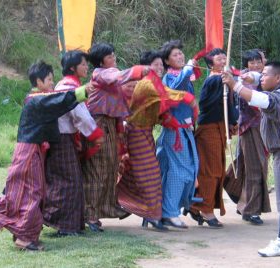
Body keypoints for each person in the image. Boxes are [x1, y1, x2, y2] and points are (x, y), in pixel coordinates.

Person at [0, 61, 84, 251]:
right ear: (39, 81)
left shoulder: (37, 98)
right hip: (29, 150)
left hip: (33, 149)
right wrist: (83, 93)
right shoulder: (37, 101)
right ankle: (23, 237)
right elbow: (59, 101)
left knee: (24, 193)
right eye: (49, 79)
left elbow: (57, 101)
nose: (52, 83)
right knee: (32, 193)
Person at [223, 61, 280, 257]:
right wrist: (253, 78)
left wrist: (235, 85)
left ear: (277, 78)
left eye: (264, 75)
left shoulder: (279, 98)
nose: (261, 77)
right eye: (261, 74)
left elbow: (262, 100)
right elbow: (267, 82)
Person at [117, 50, 198, 231]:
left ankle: (153, 214)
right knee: (150, 176)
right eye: (156, 65)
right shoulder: (146, 84)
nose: (160, 68)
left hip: (146, 134)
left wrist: (173, 121)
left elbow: (160, 108)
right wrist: (190, 100)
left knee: (152, 174)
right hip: (137, 134)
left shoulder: (153, 83)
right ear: (146, 67)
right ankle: (153, 215)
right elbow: (168, 95)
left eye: (161, 64)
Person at [82, 43, 149, 232]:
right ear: (101, 61)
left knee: (110, 167)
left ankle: (104, 208)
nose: (113, 58)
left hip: (110, 124)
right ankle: (90, 213)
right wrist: (139, 69)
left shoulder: (109, 74)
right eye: (110, 56)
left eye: (113, 55)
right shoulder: (100, 74)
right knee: (97, 170)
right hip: (99, 124)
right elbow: (119, 76)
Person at [42, 50, 104, 237]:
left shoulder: (67, 85)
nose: (86, 67)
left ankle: (70, 225)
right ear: (72, 67)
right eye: (83, 64)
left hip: (63, 138)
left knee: (70, 181)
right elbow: (80, 116)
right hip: (62, 139)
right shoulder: (70, 87)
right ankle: (64, 225)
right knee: (68, 182)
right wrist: (96, 134)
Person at [189, 48, 238, 228]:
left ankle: (198, 206)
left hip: (220, 128)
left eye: (225, 57)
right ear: (211, 65)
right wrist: (223, 82)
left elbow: (229, 104)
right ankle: (204, 209)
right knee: (210, 170)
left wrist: (233, 121)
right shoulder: (213, 80)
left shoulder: (226, 79)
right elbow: (206, 104)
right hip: (208, 129)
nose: (223, 60)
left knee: (217, 168)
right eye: (219, 59)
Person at [157, 40, 200, 229]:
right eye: (175, 55)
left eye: (181, 54)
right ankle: (169, 212)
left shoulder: (182, 76)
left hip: (184, 130)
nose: (180, 57)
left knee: (183, 171)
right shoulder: (169, 79)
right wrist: (188, 69)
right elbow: (175, 88)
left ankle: (167, 210)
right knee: (179, 172)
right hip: (175, 132)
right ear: (167, 61)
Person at [225, 49, 271, 225]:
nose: (256, 65)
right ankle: (251, 210)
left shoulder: (264, 76)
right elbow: (249, 99)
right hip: (249, 128)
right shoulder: (242, 79)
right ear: (246, 65)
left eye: (259, 61)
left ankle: (247, 206)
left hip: (262, 128)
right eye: (252, 62)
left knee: (257, 167)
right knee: (255, 168)